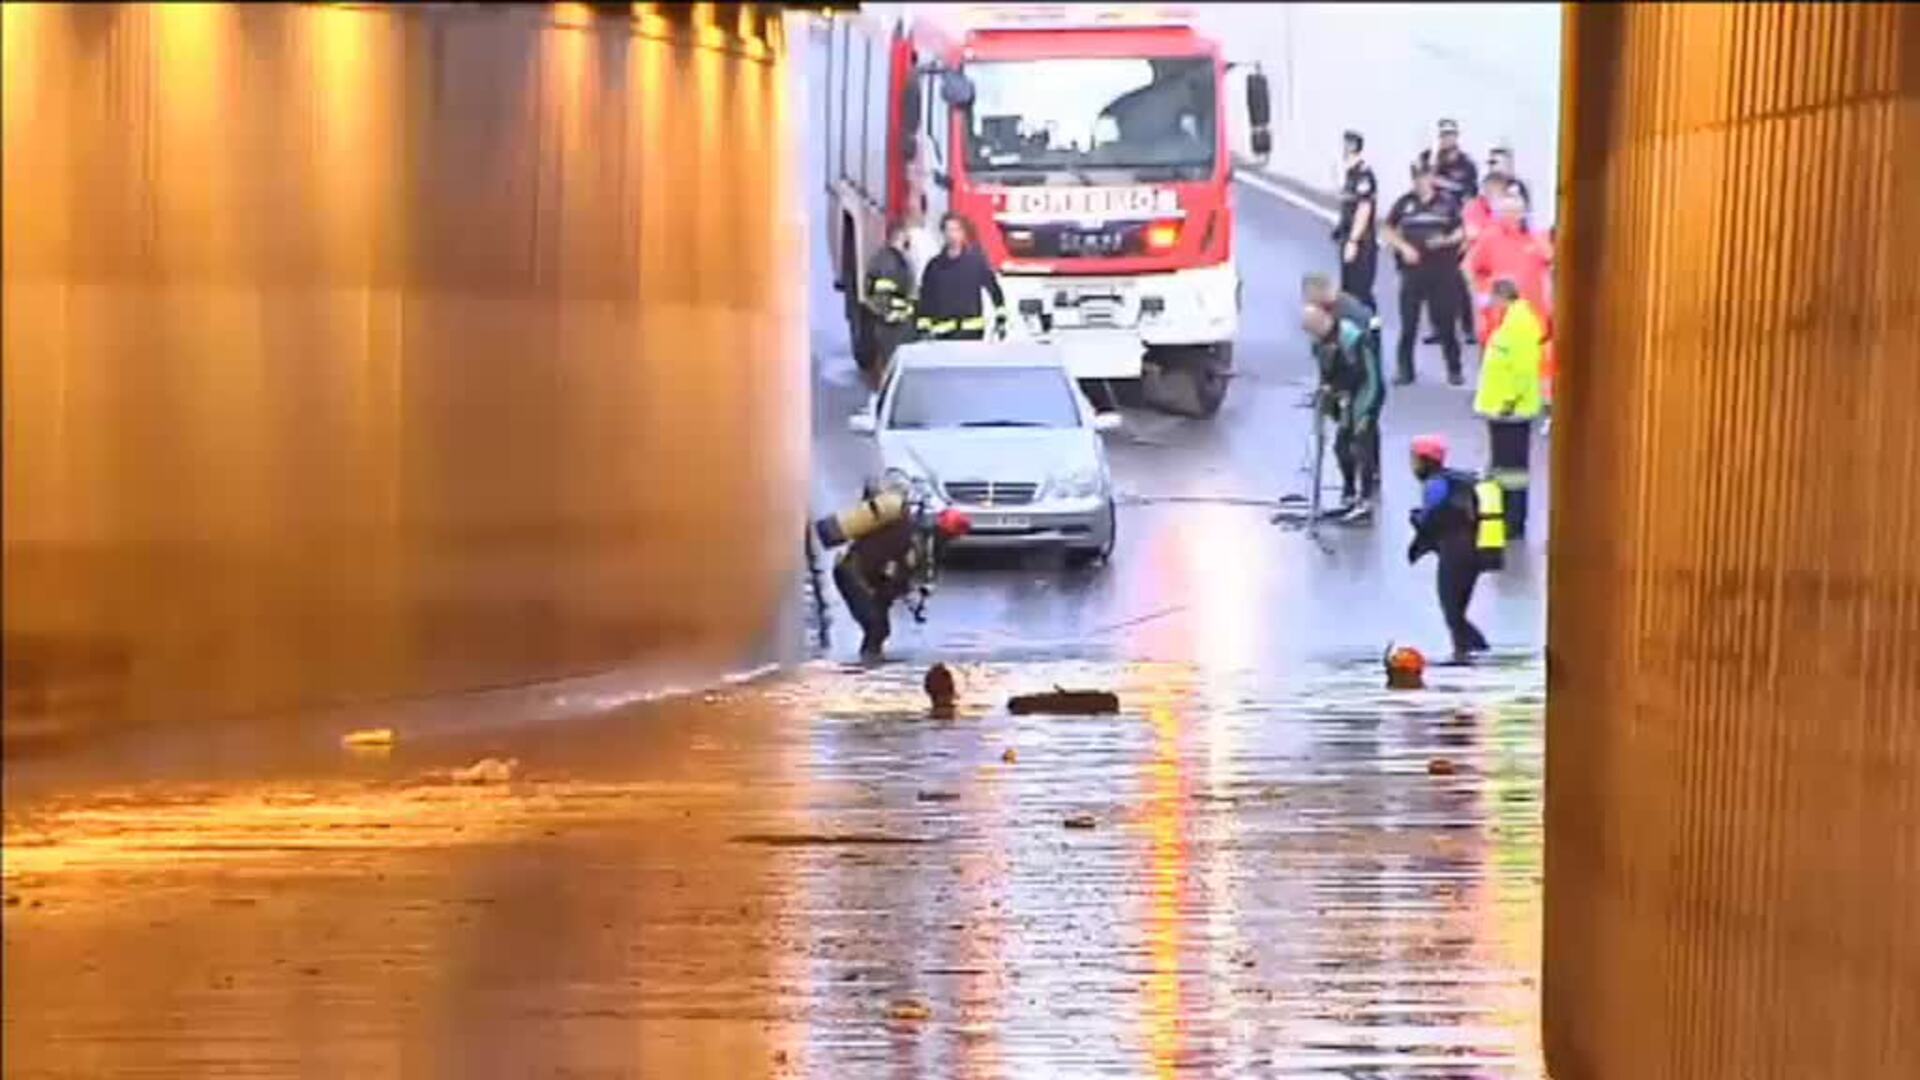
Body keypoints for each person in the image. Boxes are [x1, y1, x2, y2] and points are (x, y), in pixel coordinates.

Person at [1406, 434, 1505, 662]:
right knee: (1457, 611)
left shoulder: (1435, 484)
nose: (1412, 465)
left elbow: (1435, 519)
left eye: (1414, 459)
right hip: (1474, 550)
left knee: (1452, 610)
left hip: (1455, 553)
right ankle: (1472, 651)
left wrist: (1417, 521)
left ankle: (1466, 654)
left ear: (1425, 460)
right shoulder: (1458, 480)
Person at [1473, 279, 1545, 540]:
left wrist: (1509, 402)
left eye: (1494, 300)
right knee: (1506, 469)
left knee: (1512, 470)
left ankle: (1513, 520)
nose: (1492, 305)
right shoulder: (1513, 322)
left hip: (1510, 412)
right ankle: (1508, 516)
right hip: (1504, 410)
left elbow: (1522, 370)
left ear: (1502, 298)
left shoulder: (1519, 326)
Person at [1384, 161, 1467, 386]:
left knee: (1445, 322)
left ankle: (1454, 368)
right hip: (1413, 271)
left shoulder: (1447, 203)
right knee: (1408, 323)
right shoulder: (1405, 203)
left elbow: (1461, 231)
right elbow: (1387, 229)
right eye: (1416, 178)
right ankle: (1405, 370)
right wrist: (1403, 247)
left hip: (1441, 270)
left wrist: (1445, 240)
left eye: (1424, 177)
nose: (1420, 182)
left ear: (1431, 178)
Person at [1303, 302, 1384, 519]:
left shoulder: (1354, 338)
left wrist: (1364, 411)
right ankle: (1349, 490)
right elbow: (1326, 371)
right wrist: (1327, 394)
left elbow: (1365, 375)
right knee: (1341, 447)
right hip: (1347, 397)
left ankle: (1365, 499)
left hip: (1366, 393)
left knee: (1362, 445)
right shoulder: (1320, 342)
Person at [830, 481, 921, 662]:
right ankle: (866, 670)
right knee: (876, 627)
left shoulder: (900, 524)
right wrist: (902, 592)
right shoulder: (907, 537)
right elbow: (894, 576)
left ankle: (867, 666)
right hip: (853, 574)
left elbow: (889, 574)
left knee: (878, 628)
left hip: (851, 571)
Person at [1419, 119, 1480, 346]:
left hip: (1456, 225)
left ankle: (1467, 328)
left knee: (1458, 280)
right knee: (1434, 281)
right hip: (1435, 225)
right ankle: (1439, 327)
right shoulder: (1431, 160)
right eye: (1443, 135)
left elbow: (1471, 199)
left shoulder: (1466, 166)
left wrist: (1467, 231)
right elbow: (1421, 187)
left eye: (1450, 135)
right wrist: (1431, 165)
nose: (1447, 139)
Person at [916, 212, 1006, 341]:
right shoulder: (934, 266)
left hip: (971, 333)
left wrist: (1001, 319)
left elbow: (994, 290)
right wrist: (923, 328)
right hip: (942, 334)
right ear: (943, 233)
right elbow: (925, 299)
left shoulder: (976, 263)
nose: (952, 234)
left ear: (963, 233)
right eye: (948, 230)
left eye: (956, 230)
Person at [862, 223, 918, 384]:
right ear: (900, 236)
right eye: (906, 236)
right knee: (891, 367)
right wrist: (891, 315)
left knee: (893, 366)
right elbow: (880, 296)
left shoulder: (892, 259)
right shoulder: (889, 262)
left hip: (896, 324)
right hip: (891, 327)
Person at [1333, 130, 1380, 310]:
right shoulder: (1349, 175)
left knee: (1362, 293)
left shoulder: (1363, 175)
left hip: (1362, 243)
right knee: (1348, 291)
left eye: (1346, 145)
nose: (1343, 149)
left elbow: (1364, 208)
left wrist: (1353, 241)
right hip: (1348, 238)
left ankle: (1373, 331)